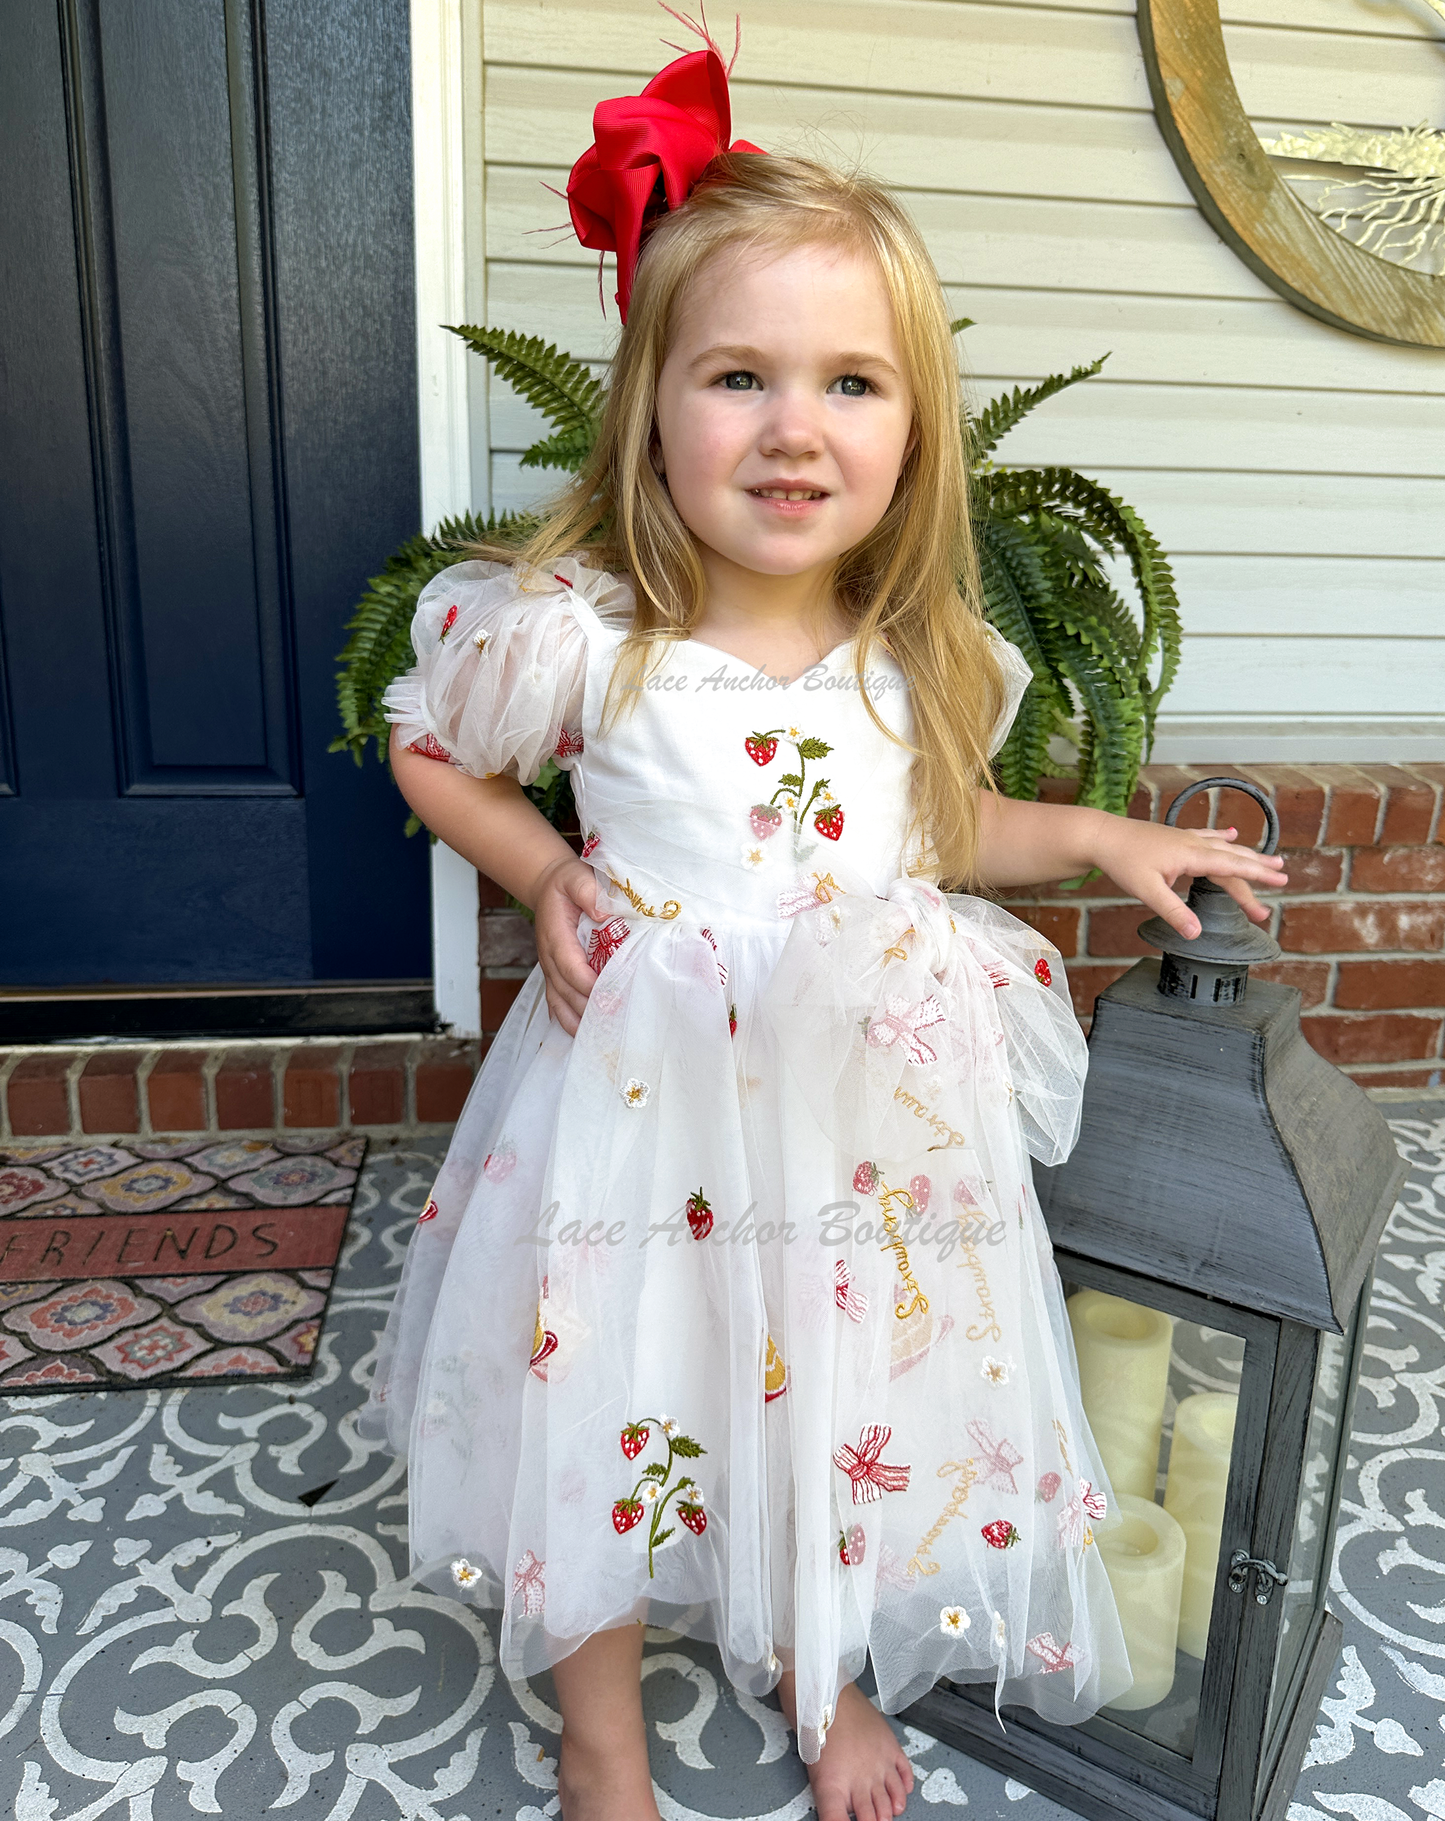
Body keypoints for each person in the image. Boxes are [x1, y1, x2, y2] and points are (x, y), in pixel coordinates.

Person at [358, 35, 1286, 1821]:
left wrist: (1097, 832)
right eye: (739, 377)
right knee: (627, 1394)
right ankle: (607, 1738)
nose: (796, 425)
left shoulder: (911, 657)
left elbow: (939, 826)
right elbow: (422, 748)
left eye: (853, 382)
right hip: (641, 1119)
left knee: (840, 1383)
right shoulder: (588, 635)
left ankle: (818, 1656)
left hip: (856, 1127)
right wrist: (541, 868)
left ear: (913, 430)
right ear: (652, 406)